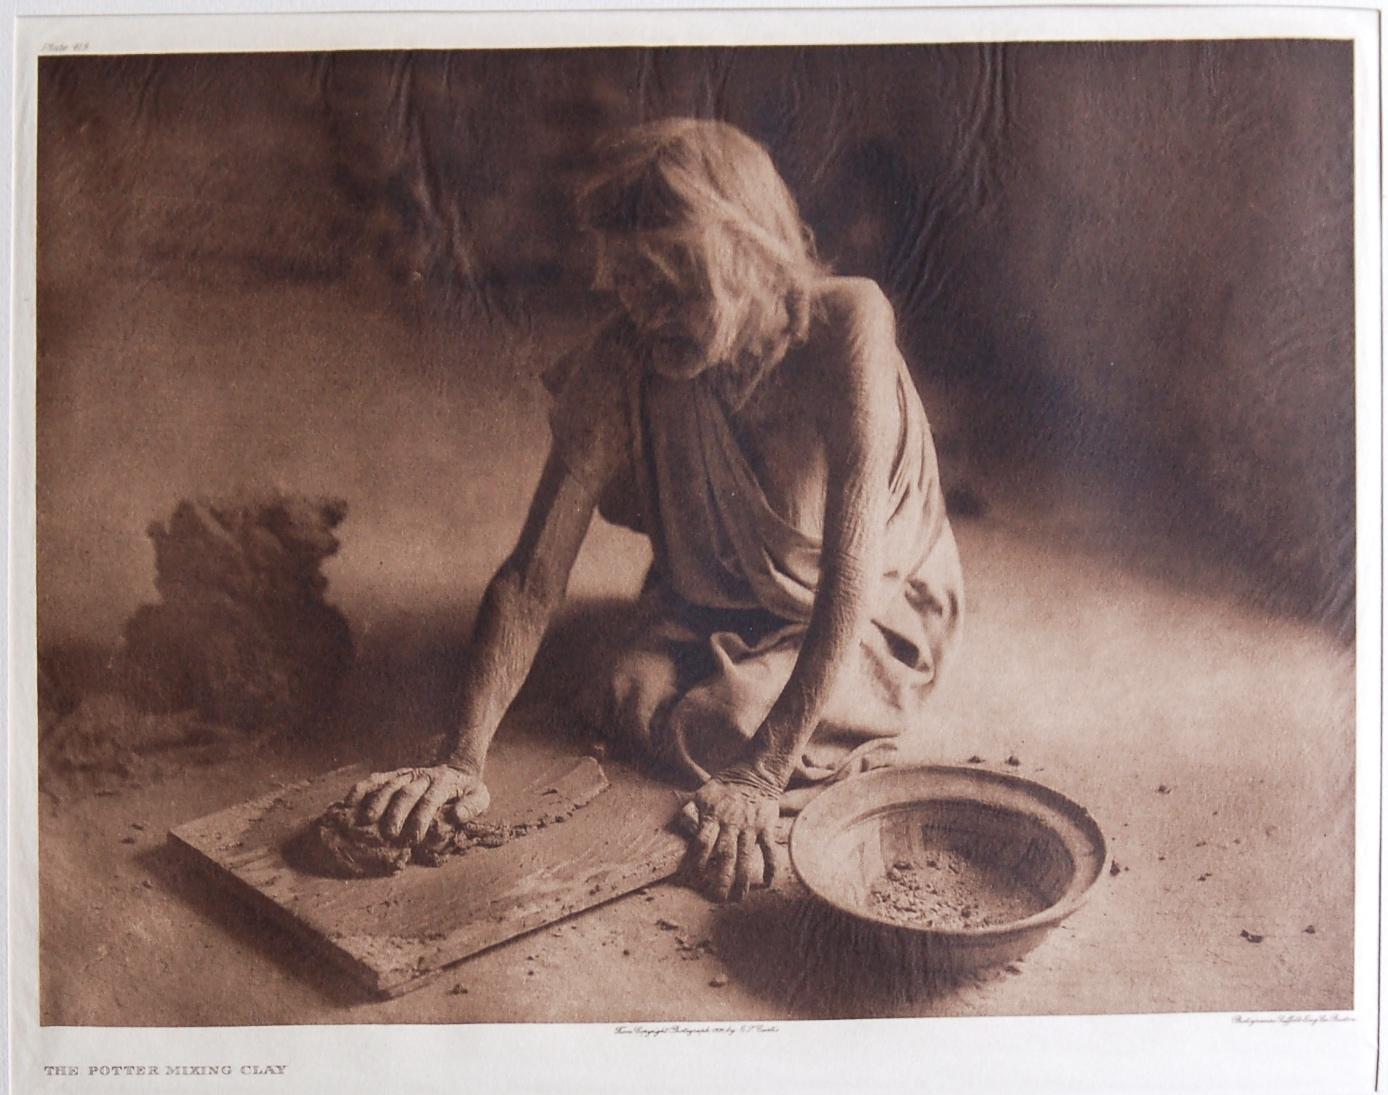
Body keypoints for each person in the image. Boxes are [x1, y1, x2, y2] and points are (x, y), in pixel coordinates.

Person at [344, 117, 964, 901]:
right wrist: (459, 758)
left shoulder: (847, 325)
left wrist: (761, 774)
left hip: (871, 604)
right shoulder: (626, 354)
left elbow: (850, 575)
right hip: (707, 603)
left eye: (673, 282)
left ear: (747, 254)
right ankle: (768, 691)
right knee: (624, 690)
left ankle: (822, 717)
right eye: (631, 285)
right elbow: (533, 577)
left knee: (724, 724)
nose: (646, 311)